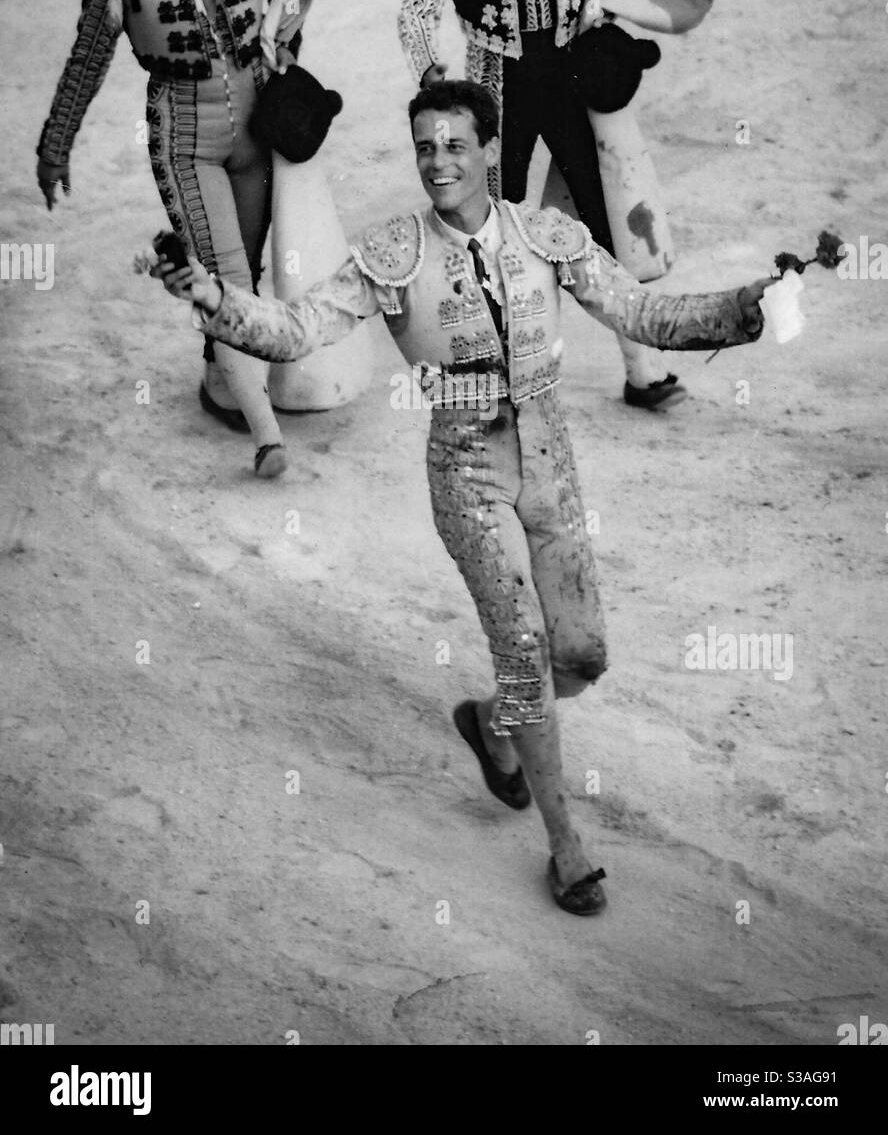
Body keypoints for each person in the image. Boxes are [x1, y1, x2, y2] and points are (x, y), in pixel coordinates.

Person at [154, 80, 771, 915]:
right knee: (525, 654)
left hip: (549, 460)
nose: (437, 162)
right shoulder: (395, 253)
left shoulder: (546, 236)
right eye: (425, 147)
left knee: (581, 659)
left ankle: (491, 724)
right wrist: (212, 297)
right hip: (467, 469)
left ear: (488, 149)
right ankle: (567, 846)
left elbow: (642, 313)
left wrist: (740, 308)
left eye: (453, 145)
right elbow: (297, 332)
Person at [36, 0, 315, 477]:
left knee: (245, 269)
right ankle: (267, 436)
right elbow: (88, 59)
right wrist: (56, 144)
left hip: (257, 124)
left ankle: (222, 380)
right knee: (228, 277)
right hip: (186, 137)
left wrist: (286, 45)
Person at [398, 0, 688, 411]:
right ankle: (495, 370)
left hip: (567, 77)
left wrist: (596, 15)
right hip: (492, 85)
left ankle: (643, 370)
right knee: (485, 228)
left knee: (603, 218)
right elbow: (416, 11)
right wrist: (432, 77)